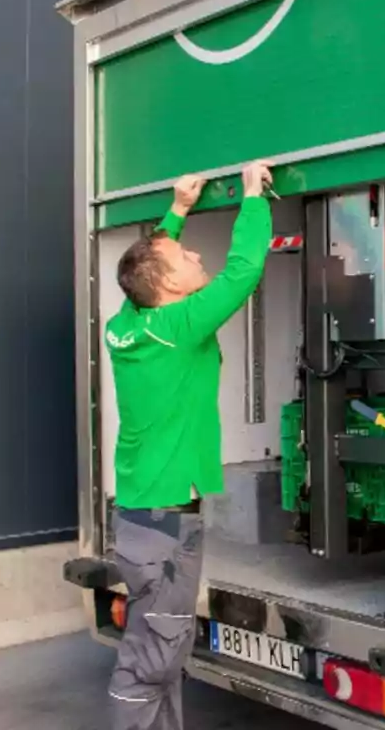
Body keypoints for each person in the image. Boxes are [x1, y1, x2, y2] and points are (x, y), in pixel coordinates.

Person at [104, 160, 274, 730]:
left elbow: (148, 266)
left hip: (140, 512)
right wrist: (253, 195)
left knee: (163, 654)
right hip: (166, 526)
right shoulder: (179, 326)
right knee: (149, 664)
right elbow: (244, 270)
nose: (197, 255)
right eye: (187, 256)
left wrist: (177, 210)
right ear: (173, 287)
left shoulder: (129, 322)